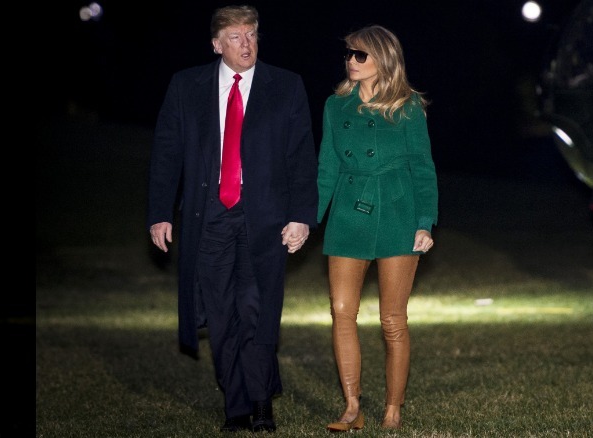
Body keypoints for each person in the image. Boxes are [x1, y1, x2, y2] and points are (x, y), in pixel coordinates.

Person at [146, 5, 318, 433]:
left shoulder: (286, 85)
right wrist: (159, 213)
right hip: (210, 217)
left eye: (253, 34)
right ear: (217, 44)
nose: (247, 45)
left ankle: (260, 403)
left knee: (254, 308)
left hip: (265, 217)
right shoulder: (187, 86)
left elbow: (301, 158)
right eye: (237, 37)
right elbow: (166, 154)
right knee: (221, 313)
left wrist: (301, 216)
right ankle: (235, 404)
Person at [315, 25, 438, 431]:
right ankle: (352, 406)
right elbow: (327, 169)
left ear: (383, 58)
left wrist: (424, 222)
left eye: (360, 55)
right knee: (342, 311)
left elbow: (423, 169)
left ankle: (392, 409)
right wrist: (307, 220)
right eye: (349, 54)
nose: (351, 61)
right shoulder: (336, 107)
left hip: (396, 214)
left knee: (392, 320)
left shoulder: (408, 108)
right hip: (348, 214)